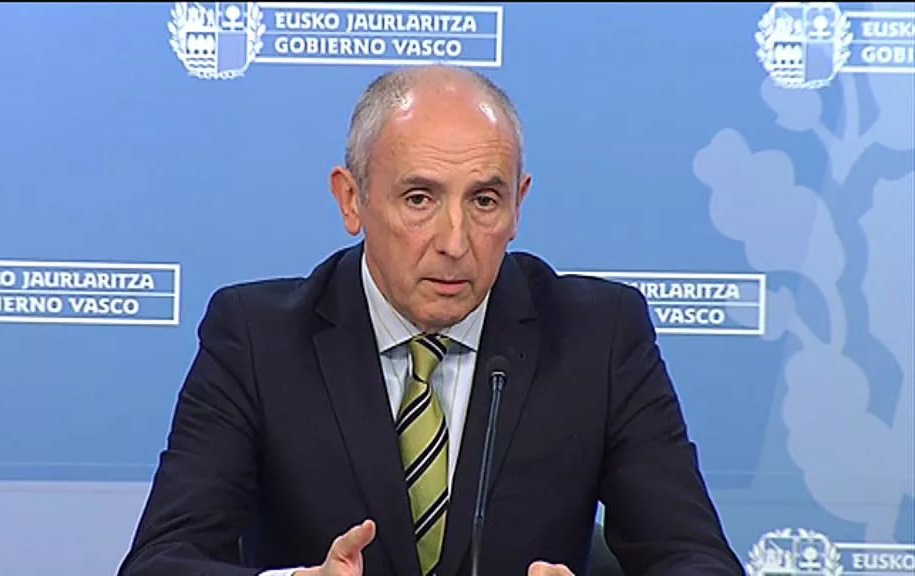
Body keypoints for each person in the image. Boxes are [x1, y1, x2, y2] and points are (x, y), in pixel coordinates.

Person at [116, 64, 744, 576]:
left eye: (485, 200)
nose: (454, 241)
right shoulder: (257, 340)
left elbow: (695, 558)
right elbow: (161, 561)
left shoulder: (598, 338)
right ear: (352, 199)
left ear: (518, 205)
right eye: (419, 198)